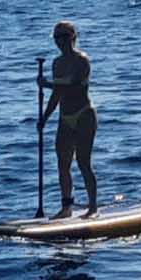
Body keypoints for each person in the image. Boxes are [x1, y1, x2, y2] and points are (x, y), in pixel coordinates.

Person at [38, 21, 99, 217]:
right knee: (63, 164)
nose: (60, 42)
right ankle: (66, 208)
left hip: (84, 115)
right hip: (65, 117)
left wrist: (47, 84)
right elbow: (57, 95)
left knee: (83, 162)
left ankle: (92, 207)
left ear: (72, 37)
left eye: (63, 37)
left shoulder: (82, 61)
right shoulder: (57, 63)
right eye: (56, 38)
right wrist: (44, 118)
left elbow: (73, 85)